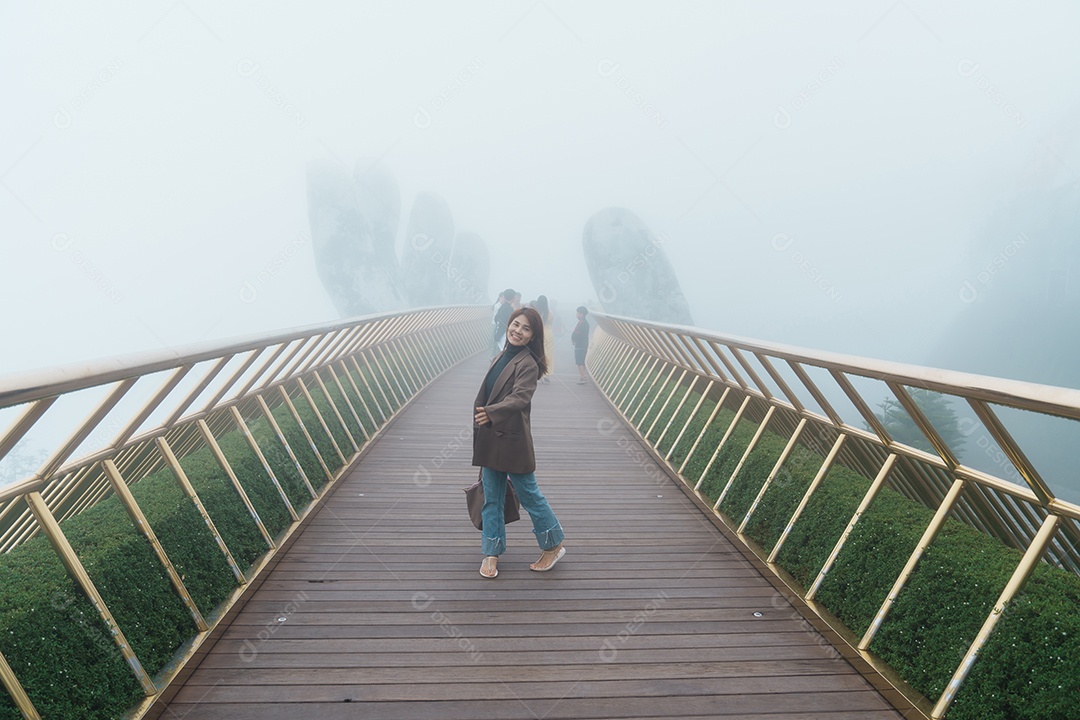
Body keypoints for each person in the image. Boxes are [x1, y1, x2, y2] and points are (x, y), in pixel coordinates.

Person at [472, 307, 566, 578]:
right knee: (491, 497)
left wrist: (491, 413)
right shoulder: (501, 355)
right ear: (508, 324)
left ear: (533, 336)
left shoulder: (528, 363)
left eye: (526, 328)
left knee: (529, 495)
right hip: (491, 437)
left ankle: (553, 544)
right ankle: (491, 552)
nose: (518, 331)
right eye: (515, 324)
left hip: (513, 441)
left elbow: (520, 398)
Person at [533, 295, 555, 383]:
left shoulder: (536, 312)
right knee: (548, 354)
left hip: (538, 334)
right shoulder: (549, 313)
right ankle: (546, 374)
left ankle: (538, 375)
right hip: (548, 334)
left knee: (538, 354)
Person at [491, 288, 515, 357]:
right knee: (504, 352)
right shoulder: (509, 309)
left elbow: (496, 318)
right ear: (512, 298)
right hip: (504, 334)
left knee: (500, 352)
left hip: (498, 333)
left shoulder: (502, 307)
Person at [571, 306, 590, 384]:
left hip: (580, 344)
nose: (577, 314)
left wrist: (574, 338)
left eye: (578, 313)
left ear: (582, 314)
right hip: (582, 344)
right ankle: (583, 376)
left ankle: (583, 377)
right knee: (581, 360)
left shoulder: (583, 323)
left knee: (579, 361)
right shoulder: (583, 322)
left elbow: (578, 333)